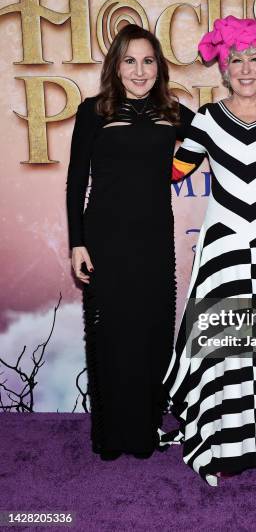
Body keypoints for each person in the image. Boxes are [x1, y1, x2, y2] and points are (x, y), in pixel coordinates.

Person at [160, 16, 256, 486]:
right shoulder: (206, 119)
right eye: (236, 61)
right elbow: (173, 171)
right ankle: (223, 440)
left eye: (255, 59)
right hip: (224, 240)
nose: (245, 68)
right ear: (223, 70)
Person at [66, 24, 194, 460]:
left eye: (148, 61)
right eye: (130, 61)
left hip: (154, 240)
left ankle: (143, 430)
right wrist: (76, 243)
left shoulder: (175, 115)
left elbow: (227, 134)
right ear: (116, 66)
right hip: (105, 240)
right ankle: (111, 434)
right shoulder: (93, 111)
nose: (140, 71)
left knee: (152, 333)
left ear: (159, 67)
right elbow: (74, 181)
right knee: (111, 337)